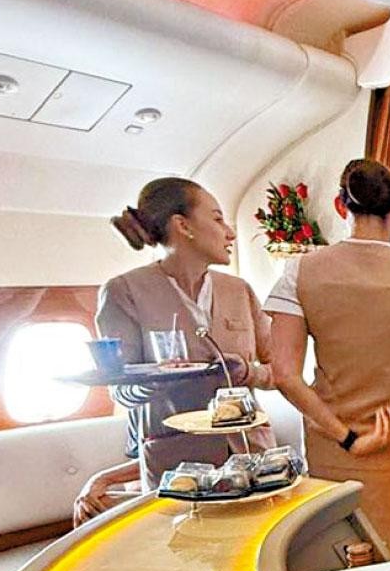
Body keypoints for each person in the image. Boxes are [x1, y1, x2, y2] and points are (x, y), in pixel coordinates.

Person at [266, 158, 390, 558]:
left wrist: (347, 437)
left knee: (333, 564)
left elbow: (284, 375)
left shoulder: (298, 273)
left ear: (341, 206)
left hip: (330, 451)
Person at [75, 177, 277, 515]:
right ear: (183, 226)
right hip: (177, 469)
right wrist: (157, 380)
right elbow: (121, 392)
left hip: (252, 456)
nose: (230, 233)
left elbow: (278, 370)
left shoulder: (238, 290)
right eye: (218, 219)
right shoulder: (124, 292)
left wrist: (248, 372)